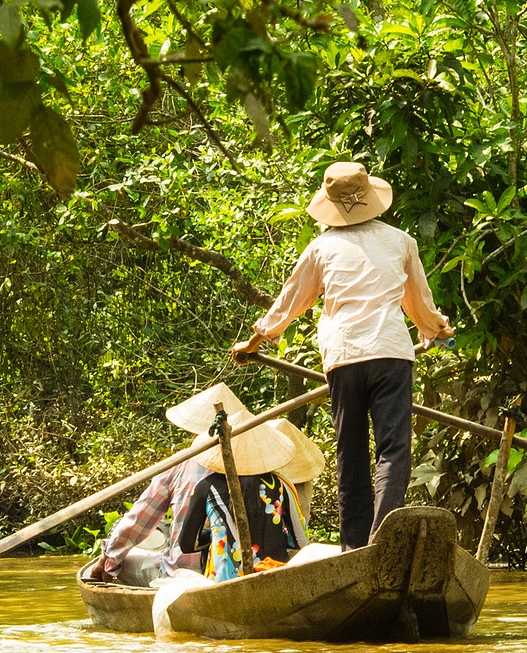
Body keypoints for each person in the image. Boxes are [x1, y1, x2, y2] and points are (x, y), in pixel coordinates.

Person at [231, 162, 453, 549]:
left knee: (350, 451)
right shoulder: (401, 242)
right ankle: (384, 539)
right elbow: (418, 303)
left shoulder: (322, 248)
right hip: (390, 354)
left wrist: (257, 340)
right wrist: (436, 330)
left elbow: (291, 300)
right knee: (393, 449)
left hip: (344, 356)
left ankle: (355, 546)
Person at [93, 383, 250, 585]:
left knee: (122, 563)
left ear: (196, 432)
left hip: (184, 574)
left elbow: (140, 519)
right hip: (244, 569)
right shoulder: (258, 467)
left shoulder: (181, 465)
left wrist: (108, 558)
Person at [172, 413, 307, 580]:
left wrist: (217, 532)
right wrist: (275, 533)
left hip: (223, 582)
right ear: (263, 450)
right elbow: (300, 541)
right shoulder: (282, 484)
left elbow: (187, 544)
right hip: (275, 577)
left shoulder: (206, 486)